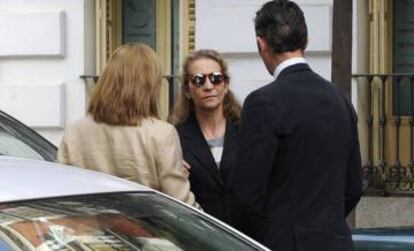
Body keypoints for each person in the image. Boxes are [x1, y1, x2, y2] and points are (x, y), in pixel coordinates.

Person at [228, 1, 363, 250]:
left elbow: (246, 195)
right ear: (306, 41)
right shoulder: (340, 100)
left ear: (262, 44)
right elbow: (353, 186)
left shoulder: (263, 102)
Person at [57, 43, 197, 207]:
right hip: (143, 229)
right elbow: (180, 202)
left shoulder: (75, 130)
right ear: (151, 85)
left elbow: (62, 190)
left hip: (88, 228)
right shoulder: (161, 133)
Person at [169, 49, 241, 223]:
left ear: (225, 85)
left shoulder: (247, 130)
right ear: (187, 90)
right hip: (200, 235)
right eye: (199, 80)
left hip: (247, 236)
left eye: (216, 78)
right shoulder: (174, 137)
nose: (209, 86)